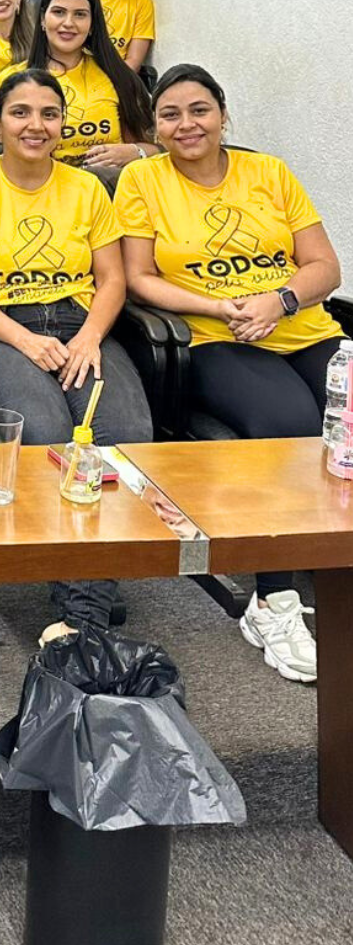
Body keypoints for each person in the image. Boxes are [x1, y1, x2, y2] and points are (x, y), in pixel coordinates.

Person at [116, 63, 341, 683]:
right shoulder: (142, 179)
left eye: (199, 110)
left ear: (222, 114)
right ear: (155, 128)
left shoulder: (269, 172)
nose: (186, 125)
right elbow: (139, 278)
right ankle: (272, 602)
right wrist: (220, 307)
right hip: (216, 338)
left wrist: (280, 301)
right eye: (170, 115)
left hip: (302, 327)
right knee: (291, 425)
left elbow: (325, 266)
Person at [0, 68, 152, 642]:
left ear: (62, 124)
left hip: (81, 327)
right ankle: (88, 612)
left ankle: (81, 610)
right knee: (49, 433)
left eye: (49, 114)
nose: (36, 125)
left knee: (125, 437)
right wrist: (24, 340)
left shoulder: (88, 188)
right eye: (21, 112)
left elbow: (111, 280)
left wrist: (90, 337)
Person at [0, 0, 155, 171]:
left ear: (92, 24)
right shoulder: (11, 81)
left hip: (110, 185)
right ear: (42, 19)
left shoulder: (118, 76)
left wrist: (136, 152)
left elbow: (160, 150)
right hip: (40, 186)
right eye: (59, 12)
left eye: (80, 14)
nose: (68, 23)